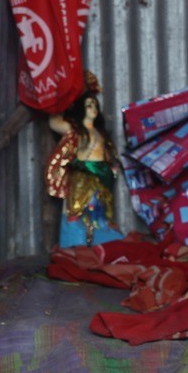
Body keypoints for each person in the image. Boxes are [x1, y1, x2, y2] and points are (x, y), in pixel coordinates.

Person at [45, 72, 124, 248]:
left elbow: (110, 155)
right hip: (82, 175)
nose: (93, 108)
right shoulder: (74, 130)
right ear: (81, 109)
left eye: (95, 105)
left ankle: (102, 239)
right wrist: (63, 96)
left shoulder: (100, 132)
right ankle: (74, 242)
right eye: (88, 105)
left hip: (102, 176)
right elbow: (54, 121)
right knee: (76, 209)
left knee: (101, 210)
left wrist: (111, 169)